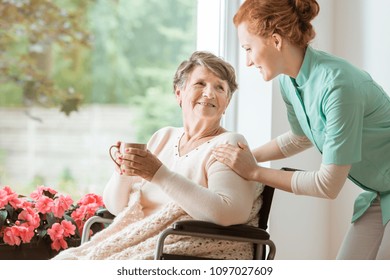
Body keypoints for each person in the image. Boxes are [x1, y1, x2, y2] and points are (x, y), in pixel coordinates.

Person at [212, 0, 390, 260]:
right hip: (380, 191)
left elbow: (327, 185)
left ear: (275, 40)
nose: (247, 61)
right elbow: (300, 137)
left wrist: (254, 171)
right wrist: (244, 156)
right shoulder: (289, 81)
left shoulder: (338, 86)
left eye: (248, 48)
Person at [53, 51, 262, 260]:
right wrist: (122, 173)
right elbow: (116, 207)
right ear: (179, 93)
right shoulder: (164, 137)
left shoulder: (229, 143)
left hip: (177, 252)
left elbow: (229, 212)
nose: (209, 93)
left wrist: (159, 174)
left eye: (220, 87)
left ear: (226, 102)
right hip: (138, 243)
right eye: (200, 84)